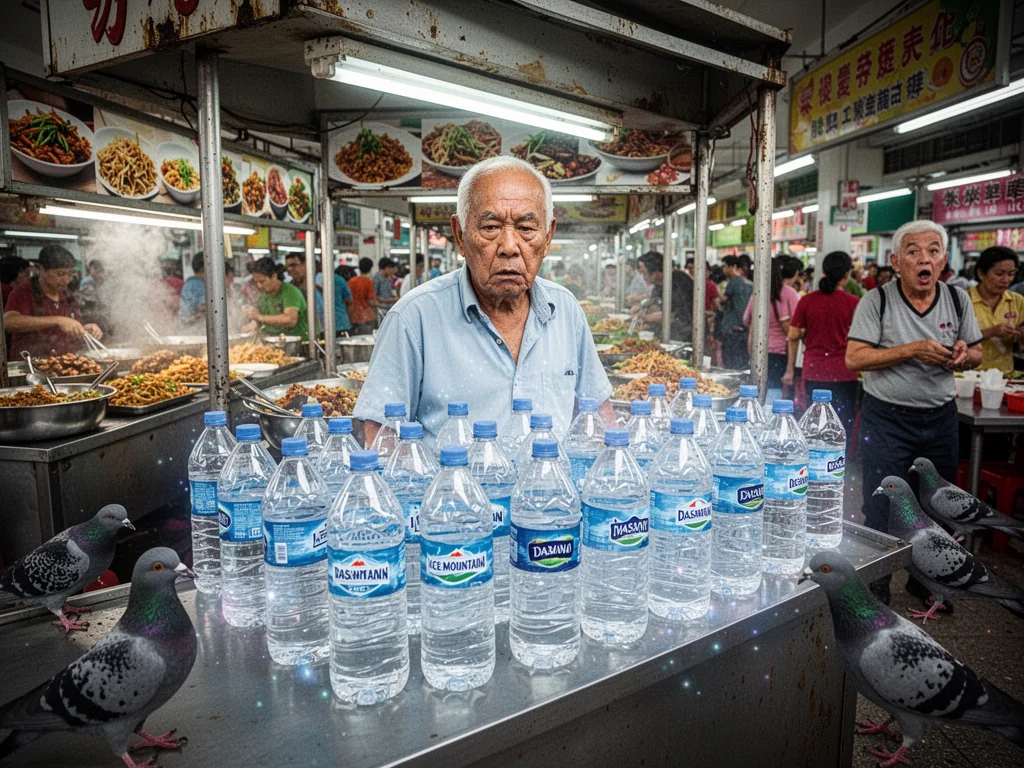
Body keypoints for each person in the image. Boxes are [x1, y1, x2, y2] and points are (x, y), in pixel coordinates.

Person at [353, 155, 611, 445]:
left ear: (548, 236)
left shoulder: (565, 310)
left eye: (526, 229)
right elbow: (381, 435)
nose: (510, 247)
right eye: (490, 228)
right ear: (460, 235)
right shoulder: (413, 318)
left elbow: (597, 410)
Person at [846, 220, 983, 605]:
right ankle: (877, 579)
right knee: (881, 502)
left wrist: (963, 355)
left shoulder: (958, 300)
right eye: (913, 251)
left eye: (933, 250)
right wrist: (912, 349)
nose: (925, 258)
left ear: (943, 260)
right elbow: (854, 357)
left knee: (936, 506)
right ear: (896, 261)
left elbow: (977, 352)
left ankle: (926, 582)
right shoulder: (878, 301)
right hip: (886, 418)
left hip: (940, 418)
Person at [784, 251, 860, 437]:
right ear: (847, 275)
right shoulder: (855, 303)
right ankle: (840, 464)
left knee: (816, 426)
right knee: (841, 428)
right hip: (845, 373)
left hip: (814, 371)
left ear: (824, 272)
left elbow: (793, 335)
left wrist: (790, 369)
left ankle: (817, 463)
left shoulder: (807, 301)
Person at [4, 244, 103, 359]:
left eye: (70, 274)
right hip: (31, 368)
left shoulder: (68, 295)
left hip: (65, 364)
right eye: (60, 274)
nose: (66, 280)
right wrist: (58, 320)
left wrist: (85, 329)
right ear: (42, 269)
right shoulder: (23, 292)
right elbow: (9, 322)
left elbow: (72, 325)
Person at [743, 256, 800, 402]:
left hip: (757, 352)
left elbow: (746, 320)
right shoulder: (789, 293)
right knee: (774, 394)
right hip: (780, 354)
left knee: (758, 392)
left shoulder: (757, 293)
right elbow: (797, 327)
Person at [968, 246, 1024, 375]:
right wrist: (991, 332)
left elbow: (1021, 346)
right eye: (999, 274)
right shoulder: (963, 301)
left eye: (1011, 274)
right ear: (981, 273)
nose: (1006, 280)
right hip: (969, 375)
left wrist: (1021, 336)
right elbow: (951, 342)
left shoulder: (1017, 301)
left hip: (1005, 375)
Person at [242, 257, 310, 343]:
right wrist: (253, 324)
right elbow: (262, 318)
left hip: (299, 344)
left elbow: (290, 319)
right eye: (256, 282)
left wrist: (259, 316)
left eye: (262, 281)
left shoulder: (291, 292)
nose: (259, 286)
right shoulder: (263, 296)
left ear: (274, 276)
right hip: (275, 342)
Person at [636, 250, 693, 341]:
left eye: (644, 273)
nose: (643, 277)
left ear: (655, 273)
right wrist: (641, 306)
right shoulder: (660, 285)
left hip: (687, 337)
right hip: (673, 334)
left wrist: (647, 317)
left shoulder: (678, 281)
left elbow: (675, 316)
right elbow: (654, 300)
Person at [720, 253, 753, 369]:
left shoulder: (734, 281)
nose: (723, 270)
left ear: (733, 266)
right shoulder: (749, 283)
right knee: (741, 363)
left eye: (724, 266)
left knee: (730, 363)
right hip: (744, 328)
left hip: (733, 329)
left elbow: (723, 300)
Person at [347, 257, 378, 335]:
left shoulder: (351, 281)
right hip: (366, 316)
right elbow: (371, 302)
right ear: (370, 269)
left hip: (352, 316)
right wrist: (379, 304)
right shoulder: (368, 282)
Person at [178, 251, 207, 329]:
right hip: (194, 327)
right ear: (202, 269)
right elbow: (204, 308)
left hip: (184, 325)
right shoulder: (200, 285)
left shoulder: (188, 283)